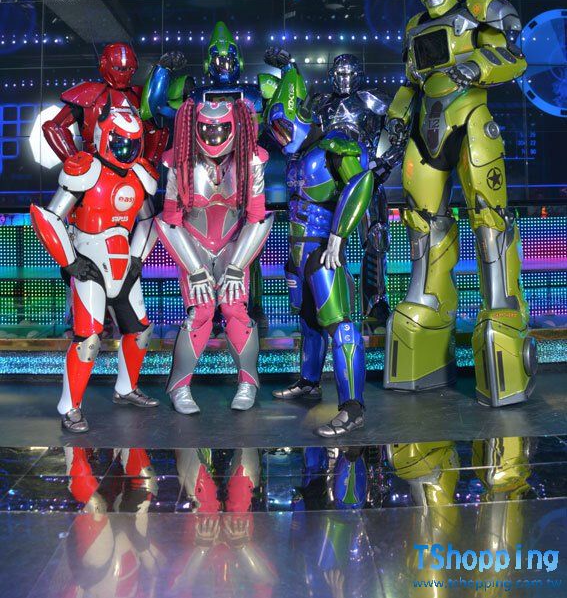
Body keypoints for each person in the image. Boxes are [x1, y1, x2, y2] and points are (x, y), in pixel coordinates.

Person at [384, 0, 535, 406]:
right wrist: (395, 120)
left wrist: (479, 65)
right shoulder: (416, 27)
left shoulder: (478, 8)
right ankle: (428, 303)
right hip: (425, 130)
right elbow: (410, 83)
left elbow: (514, 55)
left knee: (489, 220)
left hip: (470, 121)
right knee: (423, 224)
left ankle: (500, 305)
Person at [30, 100, 160, 433]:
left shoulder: (140, 175)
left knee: (140, 330)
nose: (126, 150)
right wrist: (71, 262)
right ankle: (70, 407)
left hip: (124, 263)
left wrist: (137, 257)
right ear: (105, 136)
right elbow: (50, 217)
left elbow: (149, 220)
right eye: (120, 142)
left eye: (132, 143)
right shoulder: (84, 169)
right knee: (88, 339)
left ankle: (126, 387)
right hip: (88, 262)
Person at [263, 60, 373, 437]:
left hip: (325, 251)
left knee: (339, 325)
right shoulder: (297, 156)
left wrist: (339, 235)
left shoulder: (335, 145)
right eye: (275, 131)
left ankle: (353, 407)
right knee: (309, 322)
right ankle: (309, 382)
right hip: (298, 251)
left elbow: (361, 184)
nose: (281, 137)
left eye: (284, 126)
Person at [155, 97, 273, 414]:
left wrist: (236, 266)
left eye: (221, 130)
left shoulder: (251, 161)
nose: (214, 137)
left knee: (236, 310)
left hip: (234, 245)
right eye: (207, 130)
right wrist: (194, 268)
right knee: (201, 312)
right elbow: (170, 220)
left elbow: (257, 217)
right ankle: (179, 387)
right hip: (192, 245)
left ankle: (248, 382)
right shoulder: (180, 162)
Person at [309, 53, 403, 329]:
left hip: (364, 177)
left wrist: (385, 163)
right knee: (325, 244)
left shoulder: (371, 99)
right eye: (339, 74)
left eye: (349, 73)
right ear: (331, 76)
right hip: (327, 181)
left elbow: (401, 133)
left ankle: (375, 301)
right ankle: (332, 302)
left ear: (358, 75)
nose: (344, 79)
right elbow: (305, 141)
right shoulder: (321, 104)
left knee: (376, 238)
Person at [43, 41, 168, 165]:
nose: (123, 73)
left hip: (133, 165)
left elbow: (154, 132)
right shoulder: (89, 93)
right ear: (104, 64)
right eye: (118, 68)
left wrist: (147, 164)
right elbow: (53, 128)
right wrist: (75, 161)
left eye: (128, 68)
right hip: (97, 165)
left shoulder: (137, 95)